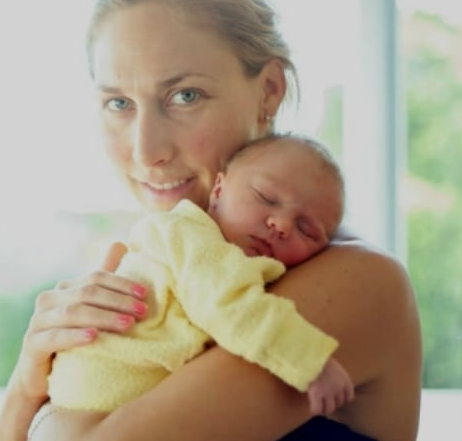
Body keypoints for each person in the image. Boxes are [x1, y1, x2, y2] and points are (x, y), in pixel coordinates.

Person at [0, 0, 422, 441]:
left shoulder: (358, 282)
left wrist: (41, 416)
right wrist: (26, 383)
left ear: (269, 91)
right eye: (118, 103)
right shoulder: (156, 271)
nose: (146, 149)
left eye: (184, 95)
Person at [47, 133, 354, 418]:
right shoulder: (191, 236)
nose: (282, 224)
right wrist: (312, 362)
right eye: (266, 198)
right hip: (104, 386)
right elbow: (231, 307)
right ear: (219, 191)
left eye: (306, 229)